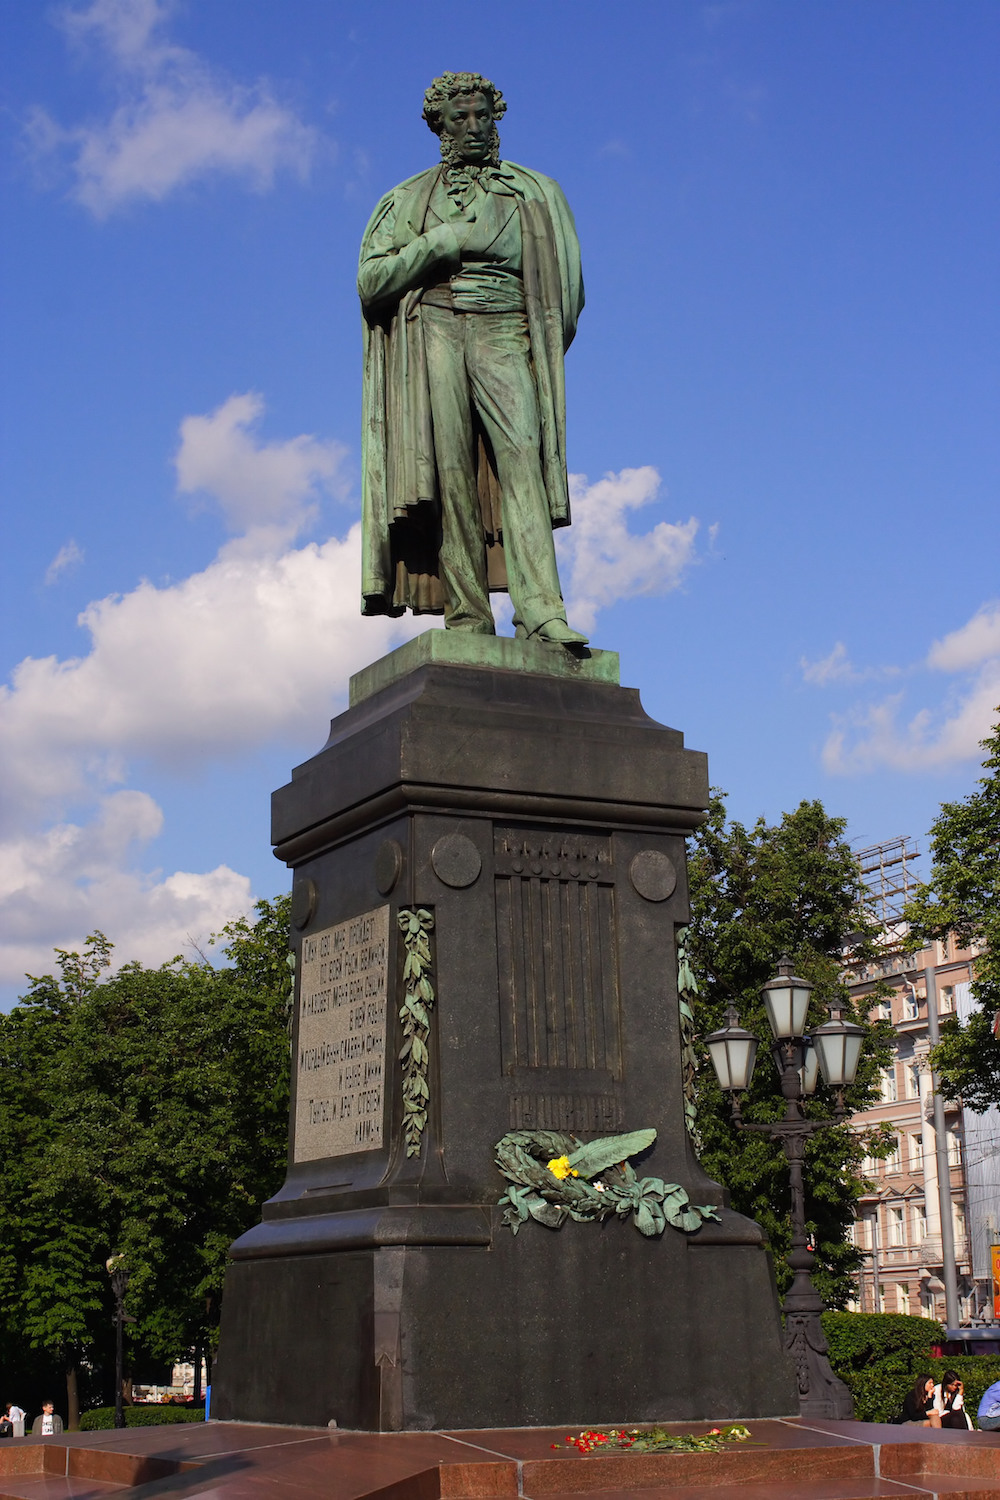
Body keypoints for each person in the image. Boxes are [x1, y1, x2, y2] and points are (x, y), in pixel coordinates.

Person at [358, 72, 588, 647]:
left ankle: (541, 610)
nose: (474, 127)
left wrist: (538, 343)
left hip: (507, 326)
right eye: (460, 118)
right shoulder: (408, 199)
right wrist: (441, 244)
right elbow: (370, 282)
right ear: (439, 125)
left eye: (483, 116)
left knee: (523, 460)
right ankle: (467, 614)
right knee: (450, 471)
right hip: (433, 327)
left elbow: (569, 289)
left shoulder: (537, 191)